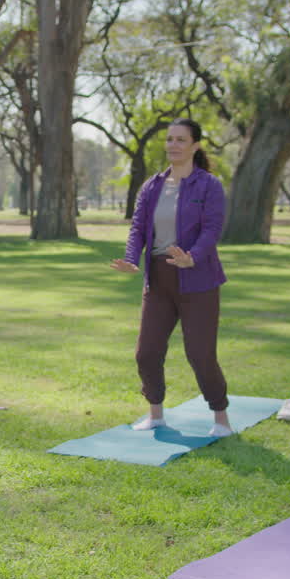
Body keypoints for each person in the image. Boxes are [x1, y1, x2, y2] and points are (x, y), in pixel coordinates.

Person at [112, 118, 231, 436]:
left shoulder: (208, 185)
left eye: (180, 140)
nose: (173, 145)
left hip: (198, 280)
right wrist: (130, 258)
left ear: (195, 145)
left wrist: (192, 256)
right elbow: (138, 226)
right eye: (169, 140)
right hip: (159, 281)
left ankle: (221, 419)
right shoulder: (152, 186)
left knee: (200, 354)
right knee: (147, 352)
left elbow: (212, 229)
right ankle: (155, 414)